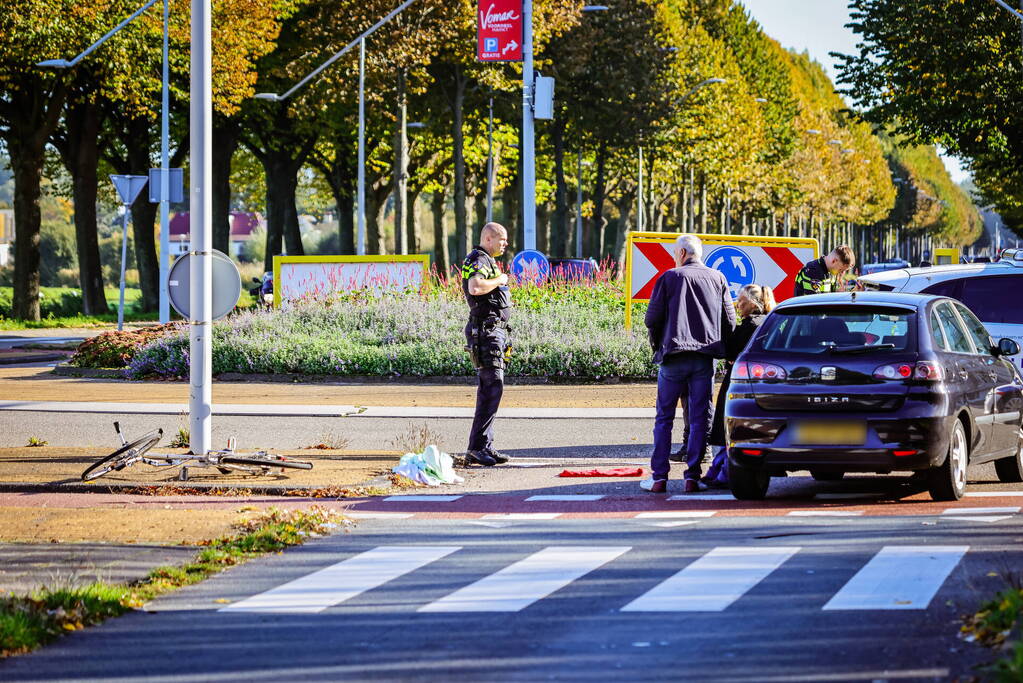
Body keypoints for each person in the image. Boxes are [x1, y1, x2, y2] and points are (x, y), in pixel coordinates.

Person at [641, 234, 736, 494]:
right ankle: (692, 476)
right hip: (704, 359)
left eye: (675, 253)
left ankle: (659, 477)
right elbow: (730, 320)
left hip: (673, 356)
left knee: (664, 419)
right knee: (698, 419)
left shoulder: (670, 277)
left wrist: (659, 343)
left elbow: (651, 318)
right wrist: (725, 351)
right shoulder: (718, 279)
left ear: (682, 254)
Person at [702, 284, 776, 488]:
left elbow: (729, 349)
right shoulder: (767, 322)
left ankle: (723, 472)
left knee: (726, 425)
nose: (737, 305)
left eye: (741, 302)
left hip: (740, 380)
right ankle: (721, 470)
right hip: (761, 382)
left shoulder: (749, 325)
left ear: (752, 304)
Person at [461, 222, 513, 467]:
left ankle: (484, 446)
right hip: (485, 331)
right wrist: (500, 279)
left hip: (493, 332)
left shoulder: (486, 261)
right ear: (489, 238)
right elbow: (476, 287)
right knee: (491, 386)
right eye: (502, 240)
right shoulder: (478, 259)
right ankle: (477, 448)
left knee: (493, 388)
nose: (506, 244)